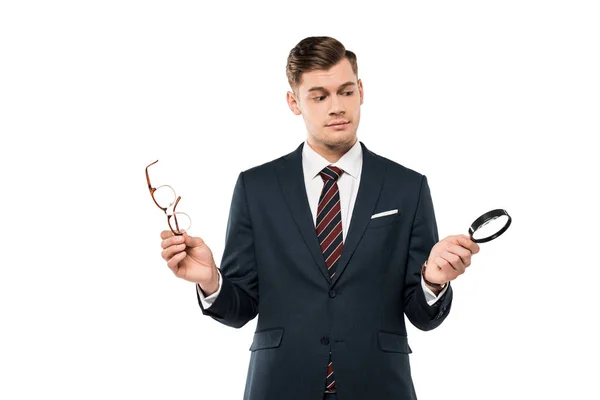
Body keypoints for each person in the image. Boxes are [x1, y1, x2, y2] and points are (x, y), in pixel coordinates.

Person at [158, 36, 480, 400]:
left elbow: (423, 316)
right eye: (319, 96)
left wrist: (433, 281)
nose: (337, 107)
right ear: (294, 102)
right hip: (279, 386)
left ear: (360, 90)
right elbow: (241, 308)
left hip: (379, 386)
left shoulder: (407, 186)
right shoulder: (256, 187)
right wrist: (212, 280)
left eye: (345, 92)